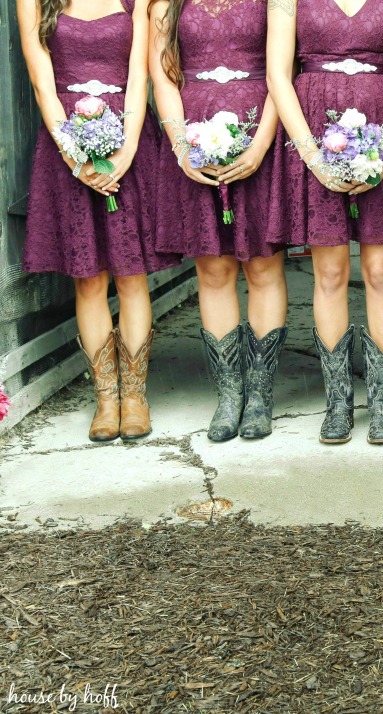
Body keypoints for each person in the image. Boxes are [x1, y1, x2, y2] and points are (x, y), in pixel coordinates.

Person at [18, 0, 177, 442]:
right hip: (65, 139)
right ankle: (106, 398)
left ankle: (135, 398)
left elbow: (137, 79)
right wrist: (74, 157)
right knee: (88, 278)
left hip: (128, 138)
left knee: (131, 275)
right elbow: (41, 82)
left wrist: (124, 153)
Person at [267, 0, 383, 445]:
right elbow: (277, 75)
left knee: (382, 271)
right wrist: (311, 156)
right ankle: (339, 401)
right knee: (329, 272)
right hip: (315, 130)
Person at [150, 0, 289, 442]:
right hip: (195, 136)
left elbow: (283, 71)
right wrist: (180, 145)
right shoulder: (166, 3)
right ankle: (229, 396)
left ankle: (260, 396)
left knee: (264, 264)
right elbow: (163, 76)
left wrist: (261, 144)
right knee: (213, 267)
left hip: (258, 132)